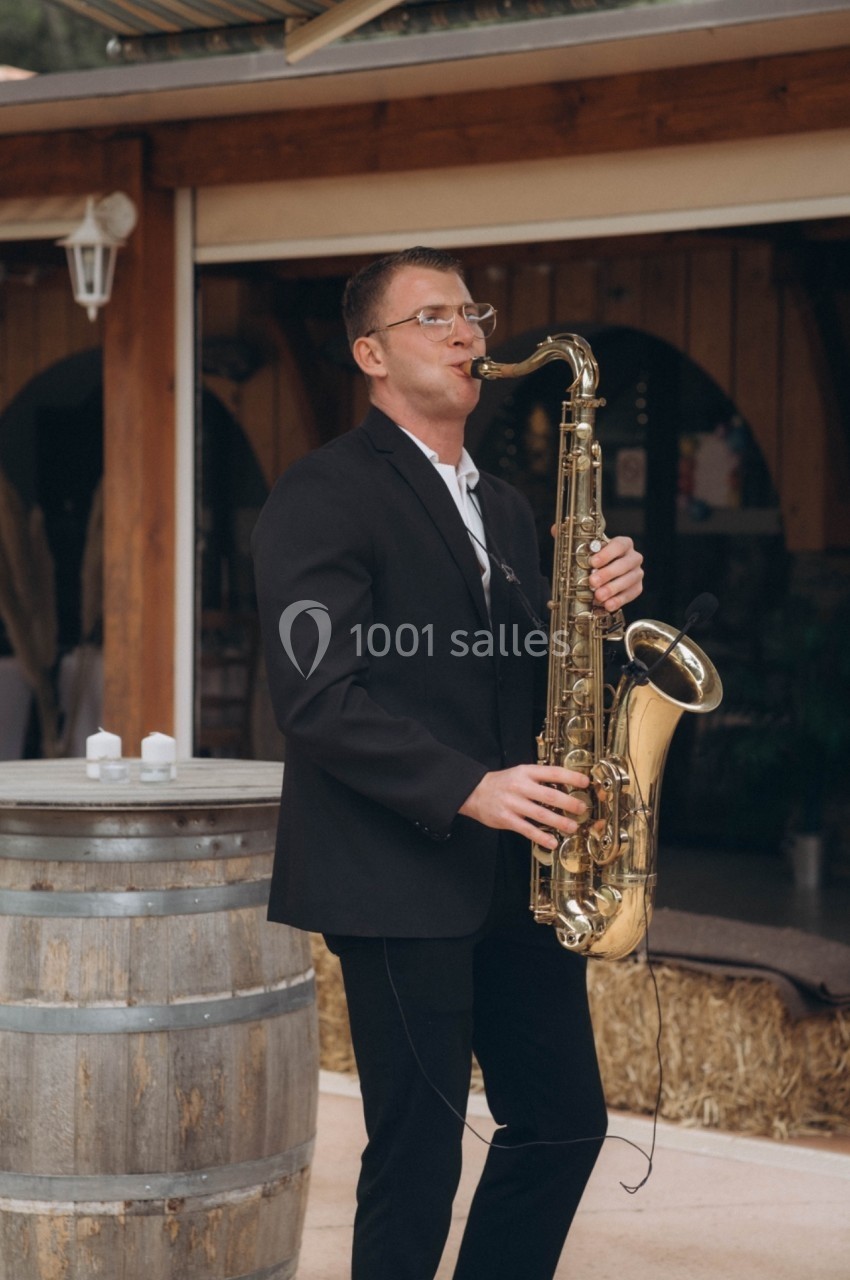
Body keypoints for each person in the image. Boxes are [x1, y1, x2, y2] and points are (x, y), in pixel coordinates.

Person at [252, 246, 644, 1280]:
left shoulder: (508, 507)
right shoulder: (322, 491)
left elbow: (524, 673)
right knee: (417, 1161)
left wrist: (597, 610)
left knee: (562, 1122)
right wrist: (469, 786)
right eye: (433, 316)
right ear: (369, 353)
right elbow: (318, 695)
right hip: (394, 875)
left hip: (515, 875)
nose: (468, 331)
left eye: (470, 310)